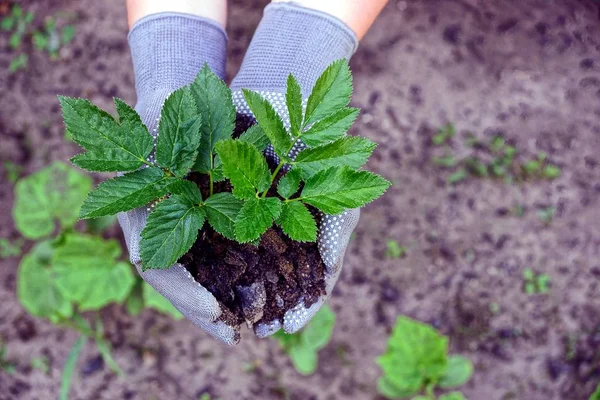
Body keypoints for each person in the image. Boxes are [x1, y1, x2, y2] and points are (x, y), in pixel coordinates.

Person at [122, 0, 389, 344]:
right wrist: (176, 40)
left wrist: (304, 32)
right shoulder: (220, 184)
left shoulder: (258, 197)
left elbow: (252, 220)